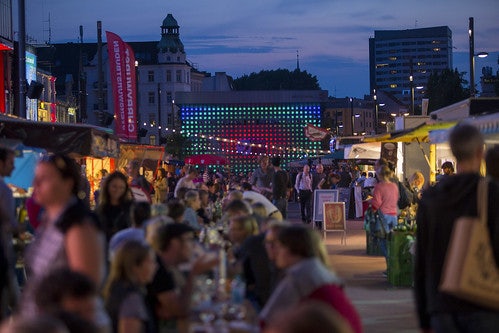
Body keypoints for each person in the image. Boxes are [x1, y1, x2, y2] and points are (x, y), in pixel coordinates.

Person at [414, 123, 499, 333]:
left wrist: (424, 315)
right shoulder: (491, 193)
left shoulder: (431, 197)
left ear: (453, 151)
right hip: (483, 300)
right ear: (480, 152)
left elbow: (421, 259)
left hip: (441, 303)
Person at [21, 154, 106, 318]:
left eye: (44, 179)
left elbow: (83, 291)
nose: (35, 184)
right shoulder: (49, 219)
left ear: (68, 183)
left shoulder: (78, 226)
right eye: (36, 177)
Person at [259, 225, 362, 333]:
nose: (274, 251)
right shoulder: (318, 270)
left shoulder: (299, 276)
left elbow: (266, 322)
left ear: (292, 249)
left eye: (278, 246)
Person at [146, 223, 218, 333]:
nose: (193, 245)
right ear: (174, 243)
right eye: (189, 240)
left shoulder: (168, 267)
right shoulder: (158, 269)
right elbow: (180, 309)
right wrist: (195, 273)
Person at [104, 240, 157, 333]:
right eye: (151, 262)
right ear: (136, 266)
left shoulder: (115, 290)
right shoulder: (131, 299)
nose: (155, 266)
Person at [369, 164, 399, 267]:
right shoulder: (394, 186)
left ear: (379, 175)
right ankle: (393, 264)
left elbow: (376, 203)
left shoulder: (379, 186)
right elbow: (396, 199)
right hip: (394, 215)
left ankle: (389, 263)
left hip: (383, 216)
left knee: (383, 240)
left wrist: (372, 210)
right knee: (393, 241)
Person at [95, 171, 134, 242]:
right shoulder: (101, 209)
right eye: (114, 186)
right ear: (107, 187)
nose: (117, 190)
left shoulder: (131, 208)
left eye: (121, 187)